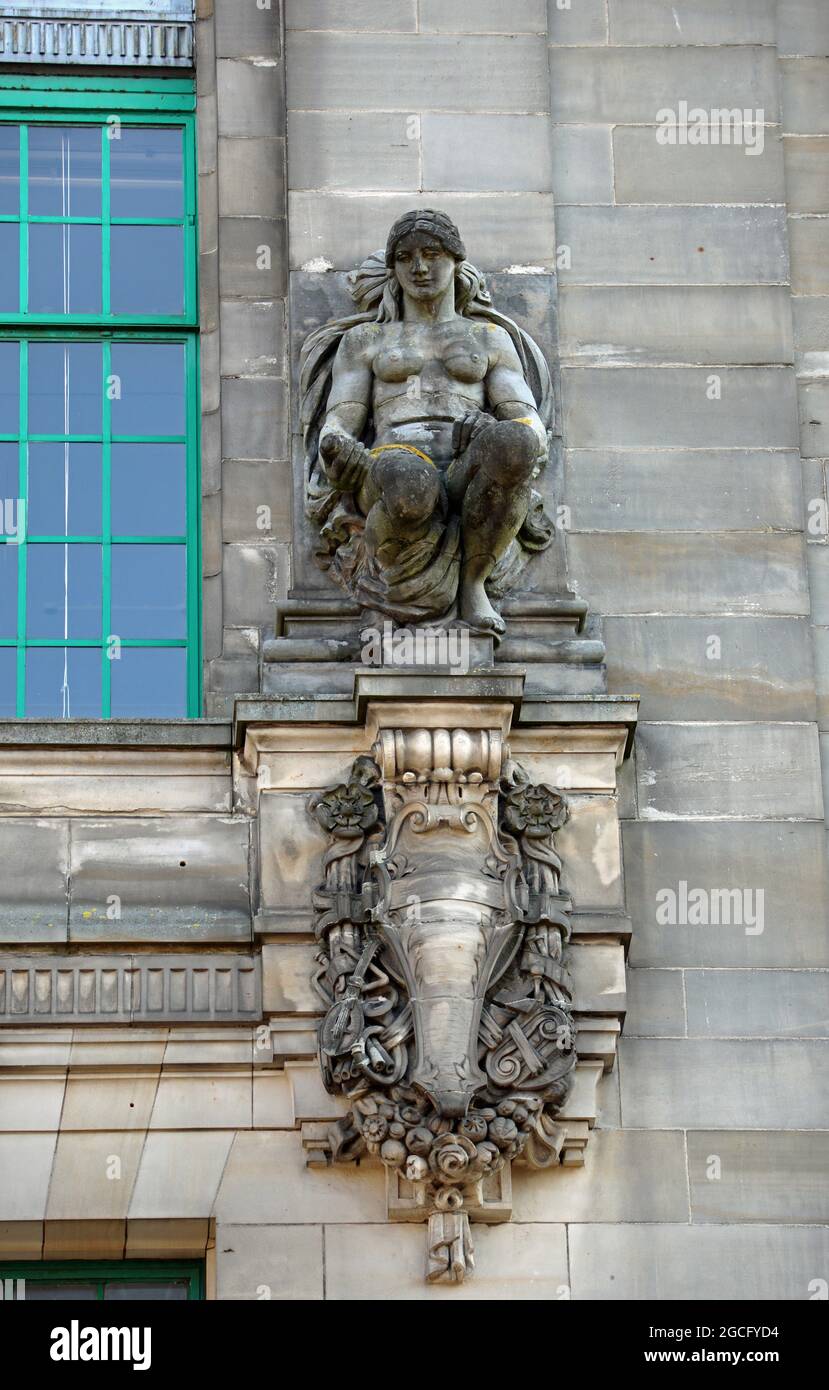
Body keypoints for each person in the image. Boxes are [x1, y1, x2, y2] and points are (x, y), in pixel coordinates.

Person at [300, 209, 554, 636]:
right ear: (393, 267)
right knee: (411, 482)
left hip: (463, 465)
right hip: (388, 461)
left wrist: (502, 433)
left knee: (514, 444)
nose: (419, 267)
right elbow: (343, 415)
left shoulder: (489, 338)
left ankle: (472, 584)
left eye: (432, 253)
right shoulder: (366, 340)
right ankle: (386, 576)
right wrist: (334, 444)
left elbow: (525, 416)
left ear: (456, 260)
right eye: (404, 257)